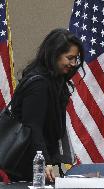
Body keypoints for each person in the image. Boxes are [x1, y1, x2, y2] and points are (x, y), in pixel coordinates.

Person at [8, 28, 85, 182]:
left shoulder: (54, 80)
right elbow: (32, 127)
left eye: (75, 58)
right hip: (25, 165)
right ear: (54, 54)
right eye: (69, 58)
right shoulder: (39, 84)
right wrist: (43, 161)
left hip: (34, 161)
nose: (73, 64)